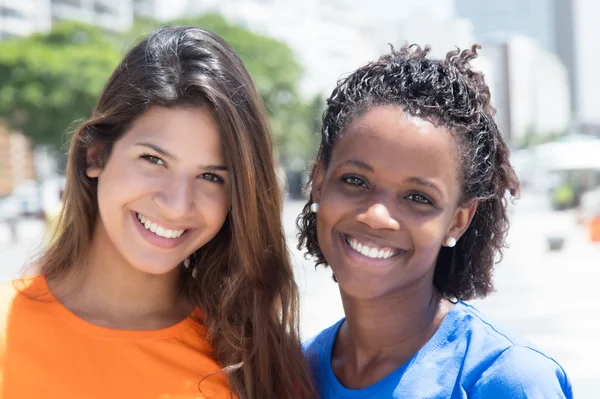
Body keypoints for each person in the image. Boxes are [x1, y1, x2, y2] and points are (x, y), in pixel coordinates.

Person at [0, 26, 316, 399]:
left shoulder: (258, 359)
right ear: (96, 155)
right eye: (153, 159)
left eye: (211, 177)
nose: (177, 204)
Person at [297, 45, 573, 398]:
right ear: (319, 182)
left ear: (457, 221)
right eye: (355, 181)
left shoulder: (506, 379)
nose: (377, 215)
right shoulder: (294, 372)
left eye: (418, 198)